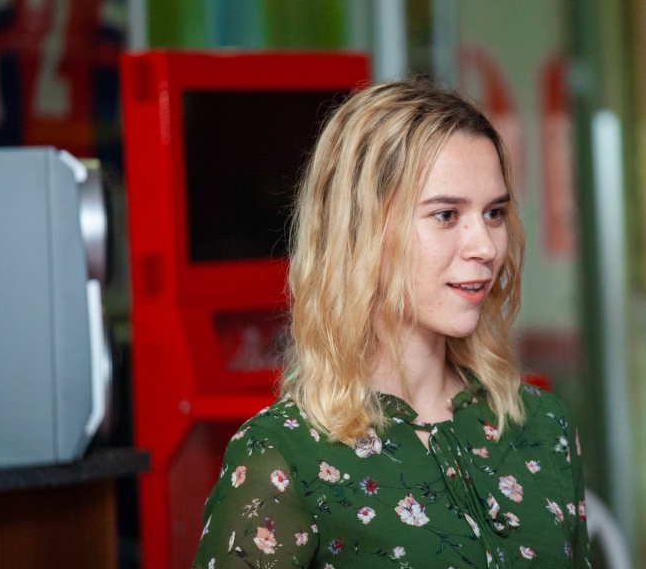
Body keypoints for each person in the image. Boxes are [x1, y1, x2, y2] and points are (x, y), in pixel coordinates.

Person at [192, 78, 590, 568]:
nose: (486, 246)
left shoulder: (544, 426)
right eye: (446, 215)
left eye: (494, 213)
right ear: (361, 231)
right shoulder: (284, 455)